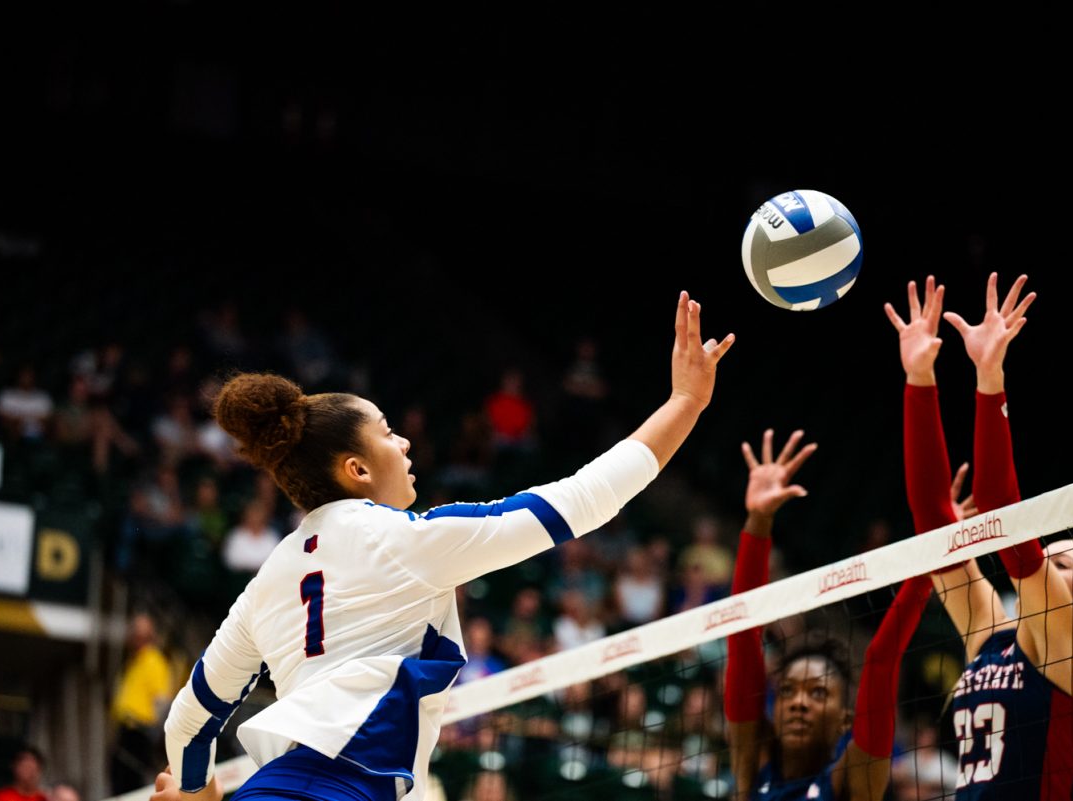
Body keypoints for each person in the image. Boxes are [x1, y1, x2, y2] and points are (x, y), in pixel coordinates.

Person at [151, 293, 734, 801]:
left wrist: (196, 789)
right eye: (386, 431)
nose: (404, 442)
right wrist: (685, 403)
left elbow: (190, 719)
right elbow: (582, 500)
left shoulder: (269, 579)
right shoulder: (405, 540)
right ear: (355, 468)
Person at [885, 273, 1073, 799]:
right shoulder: (990, 637)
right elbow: (931, 523)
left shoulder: (1068, 654)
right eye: (1048, 560)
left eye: (1060, 567)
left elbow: (1002, 514)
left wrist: (989, 375)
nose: (1045, 569)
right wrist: (919, 379)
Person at [724, 429, 934, 800]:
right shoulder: (753, 761)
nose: (798, 702)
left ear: (845, 719)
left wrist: (931, 561)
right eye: (787, 691)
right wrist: (758, 520)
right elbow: (743, 634)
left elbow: (882, 660)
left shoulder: (852, 780)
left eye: (818, 693)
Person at [111, 613, 173, 793]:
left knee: (131, 785)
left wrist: (155, 735)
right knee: (120, 782)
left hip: (140, 732)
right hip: (128, 729)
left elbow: (161, 701)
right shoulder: (136, 660)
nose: (135, 637)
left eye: (140, 633)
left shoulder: (154, 661)